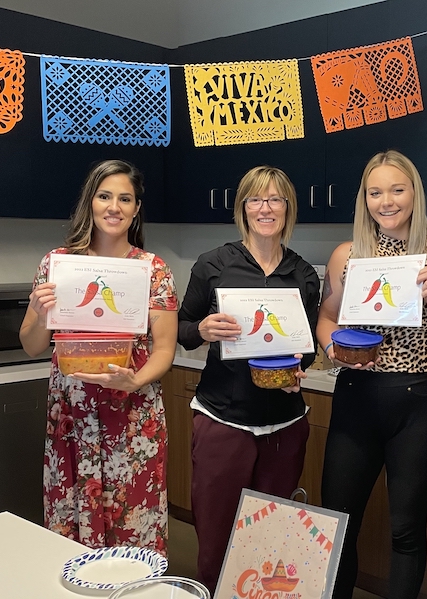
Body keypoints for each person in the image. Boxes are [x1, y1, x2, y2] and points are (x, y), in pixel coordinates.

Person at [316, 150, 427, 599]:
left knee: (406, 530)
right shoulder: (347, 257)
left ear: (415, 194)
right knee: (337, 524)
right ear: (364, 199)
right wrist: (334, 347)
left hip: (419, 404)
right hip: (357, 397)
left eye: (397, 189)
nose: (385, 201)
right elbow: (325, 318)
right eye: (375, 192)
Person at [19, 159, 178, 553]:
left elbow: (164, 350)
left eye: (125, 199)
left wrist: (136, 380)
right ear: (90, 201)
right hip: (72, 417)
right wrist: (40, 313)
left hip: (132, 416)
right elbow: (32, 345)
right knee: (71, 529)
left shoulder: (153, 271)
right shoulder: (58, 264)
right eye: (105, 196)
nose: (115, 207)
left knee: (132, 526)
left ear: (136, 209)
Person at [177, 165, 320, 593]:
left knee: (272, 540)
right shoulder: (213, 265)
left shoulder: (303, 275)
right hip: (223, 419)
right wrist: (202, 330)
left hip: (284, 425)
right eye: (256, 199)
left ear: (287, 208)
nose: (265, 208)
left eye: (275, 199)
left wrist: (299, 371)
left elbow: (307, 345)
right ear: (243, 208)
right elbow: (180, 328)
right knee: (217, 540)